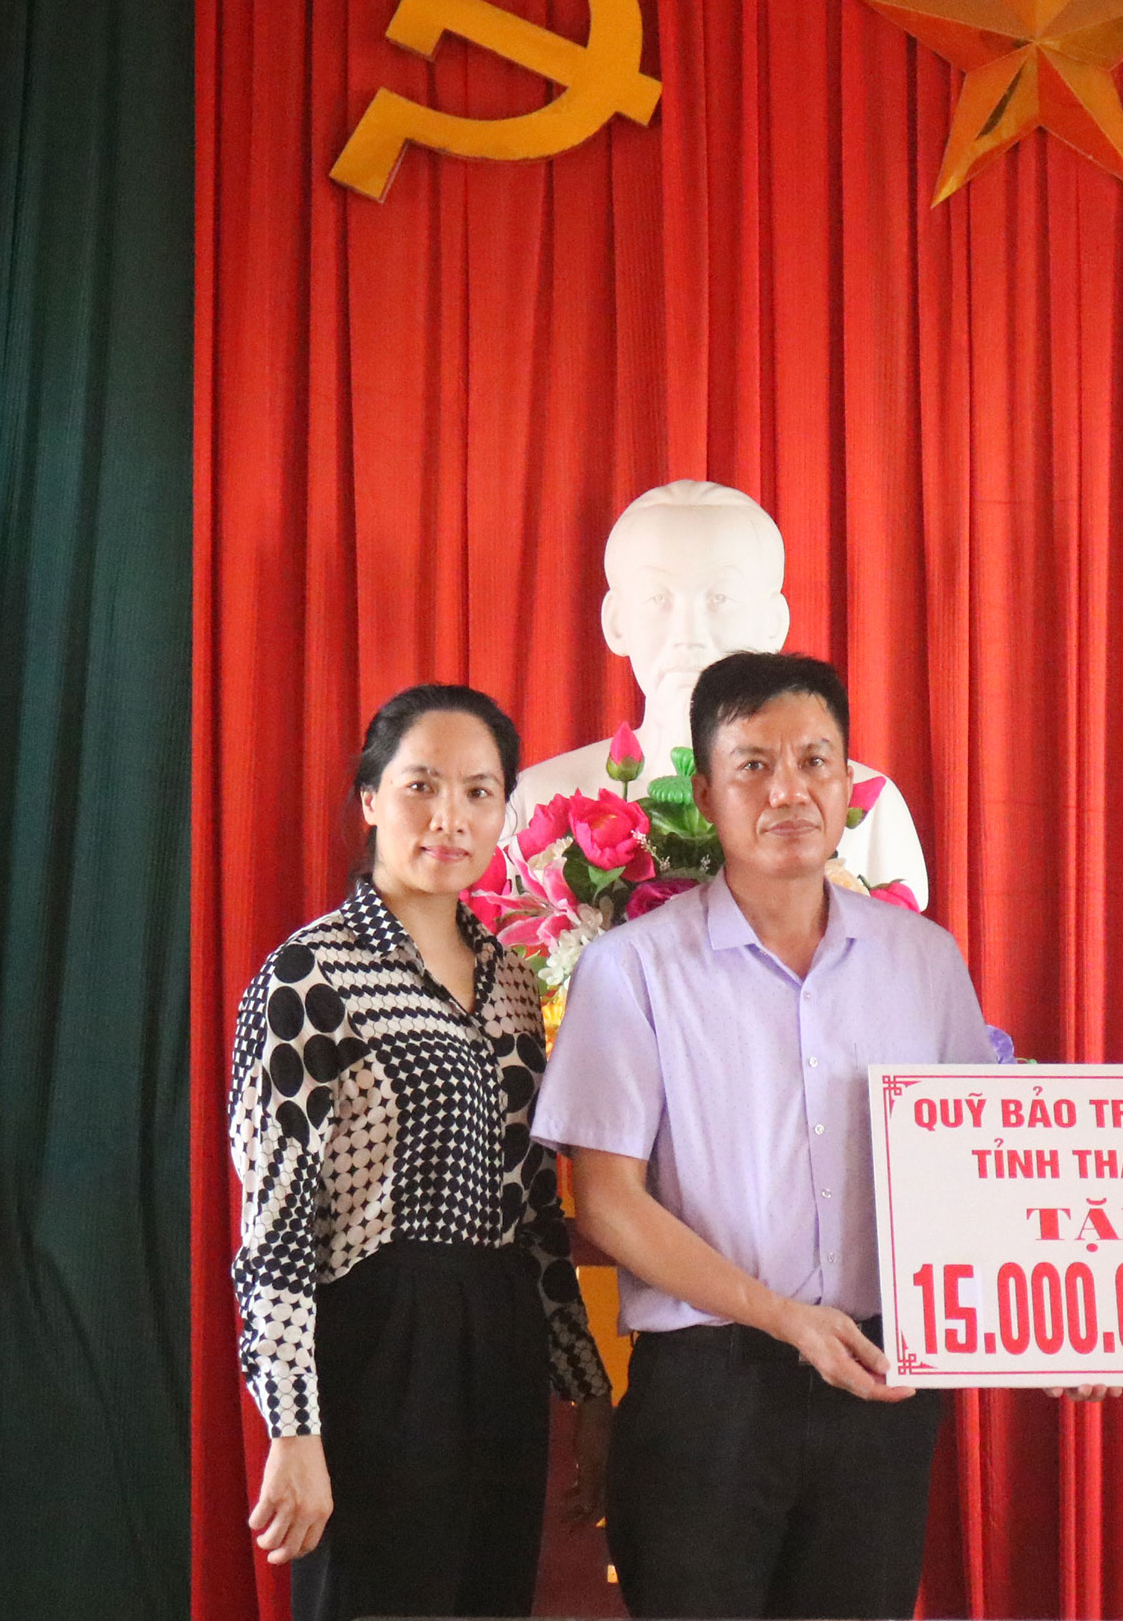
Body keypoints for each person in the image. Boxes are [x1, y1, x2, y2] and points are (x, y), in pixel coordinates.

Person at [532, 650, 993, 1618]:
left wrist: (1056, 1331)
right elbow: (606, 1203)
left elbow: (973, 1173)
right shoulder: (633, 970)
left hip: (880, 1386)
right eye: (753, 765)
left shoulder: (925, 961)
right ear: (705, 793)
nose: (789, 790)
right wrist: (784, 1319)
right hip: (709, 1396)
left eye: (815, 761)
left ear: (849, 781)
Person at [227, 684, 613, 1621]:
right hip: (379, 1338)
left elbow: (534, 1206)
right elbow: (275, 1225)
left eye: (480, 792)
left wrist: (585, 1386)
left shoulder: (513, 983)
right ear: (370, 799)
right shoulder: (310, 977)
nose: (451, 817)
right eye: (422, 786)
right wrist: (294, 1429)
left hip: (502, 1334)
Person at [509, 480, 928, 906]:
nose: (687, 634)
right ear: (616, 621)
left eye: (720, 599)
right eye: (658, 599)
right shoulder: (540, 800)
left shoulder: (869, 812)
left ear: (774, 624)